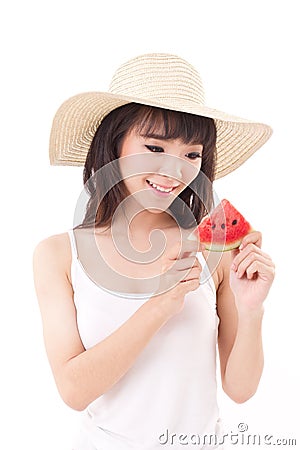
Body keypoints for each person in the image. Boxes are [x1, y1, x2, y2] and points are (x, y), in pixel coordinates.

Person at [33, 53, 275, 450]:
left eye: (191, 155)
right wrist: (160, 305)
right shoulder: (59, 255)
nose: (175, 170)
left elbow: (240, 389)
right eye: (155, 148)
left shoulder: (214, 252)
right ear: (114, 145)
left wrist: (251, 312)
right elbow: (73, 392)